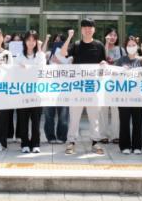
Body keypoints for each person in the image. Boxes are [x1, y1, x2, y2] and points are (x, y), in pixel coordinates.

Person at [61, 18, 106, 155]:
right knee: (74, 116)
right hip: (77, 87)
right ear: (81, 30)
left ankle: (95, 142)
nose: (87, 30)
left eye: (90, 27)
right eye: (85, 27)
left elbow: (103, 62)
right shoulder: (76, 45)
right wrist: (69, 37)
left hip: (93, 87)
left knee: (94, 117)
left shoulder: (99, 45)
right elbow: (63, 53)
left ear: (94, 30)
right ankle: (71, 141)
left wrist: (104, 64)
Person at [15, 30, 48, 153]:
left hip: (36, 93)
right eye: (28, 40)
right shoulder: (20, 56)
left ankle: (35, 144)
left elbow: (41, 68)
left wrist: (39, 49)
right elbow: (16, 71)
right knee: (23, 120)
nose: (31, 42)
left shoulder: (40, 55)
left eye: (34, 40)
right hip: (23, 93)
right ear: (25, 41)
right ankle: (24, 144)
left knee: (36, 121)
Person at [115, 36, 142, 155]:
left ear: (137, 46)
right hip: (124, 97)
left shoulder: (140, 59)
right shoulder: (121, 60)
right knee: (124, 121)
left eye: (133, 45)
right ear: (125, 47)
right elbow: (114, 76)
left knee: (137, 122)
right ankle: (124, 146)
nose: (131, 47)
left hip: (138, 96)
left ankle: (137, 146)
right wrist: (121, 70)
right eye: (129, 45)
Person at [101, 27, 124, 144]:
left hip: (117, 83)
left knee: (116, 110)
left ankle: (116, 135)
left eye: (115, 35)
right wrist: (106, 44)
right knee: (103, 109)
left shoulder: (121, 50)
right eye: (110, 35)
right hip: (104, 83)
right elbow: (102, 58)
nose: (113, 37)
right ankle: (103, 135)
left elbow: (126, 62)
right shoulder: (101, 47)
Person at [44, 42, 70, 144]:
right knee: (49, 115)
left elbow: (71, 70)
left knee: (63, 115)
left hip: (63, 90)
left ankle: (62, 137)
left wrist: (58, 62)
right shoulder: (48, 55)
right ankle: (50, 137)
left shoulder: (69, 57)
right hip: (49, 89)